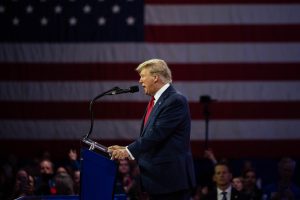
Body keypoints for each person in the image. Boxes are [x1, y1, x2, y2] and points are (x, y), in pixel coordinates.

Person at [108, 58, 196, 200]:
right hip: (159, 181)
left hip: (171, 181)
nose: (140, 81)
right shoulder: (157, 101)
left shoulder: (175, 100)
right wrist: (125, 148)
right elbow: (150, 135)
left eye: (143, 76)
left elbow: (156, 135)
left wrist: (127, 151)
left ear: (155, 77)